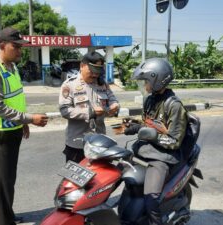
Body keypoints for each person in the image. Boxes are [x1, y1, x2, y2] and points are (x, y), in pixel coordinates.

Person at [0, 27, 49, 225]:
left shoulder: (12, 68)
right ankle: (4, 220)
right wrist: (28, 119)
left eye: (21, 47)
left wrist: (22, 124)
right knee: (2, 181)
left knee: (8, 178)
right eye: (16, 46)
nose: (20, 51)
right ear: (2, 46)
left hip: (13, 130)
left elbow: (16, 98)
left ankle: (4, 213)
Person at [114, 58, 188, 225]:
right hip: (142, 150)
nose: (144, 85)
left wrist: (151, 135)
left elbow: (174, 141)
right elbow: (148, 123)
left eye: (146, 81)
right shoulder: (149, 99)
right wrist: (134, 127)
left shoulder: (174, 106)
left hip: (161, 157)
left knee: (151, 198)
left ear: (157, 80)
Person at [59, 51, 120, 163]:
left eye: (98, 72)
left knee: (99, 179)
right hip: (77, 144)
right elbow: (64, 110)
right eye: (92, 71)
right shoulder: (69, 85)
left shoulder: (102, 84)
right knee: (75, 179)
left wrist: (115, 106)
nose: (95, 75)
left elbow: (113, 99)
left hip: (99, 143)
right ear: (82, 66)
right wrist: (90, 112)